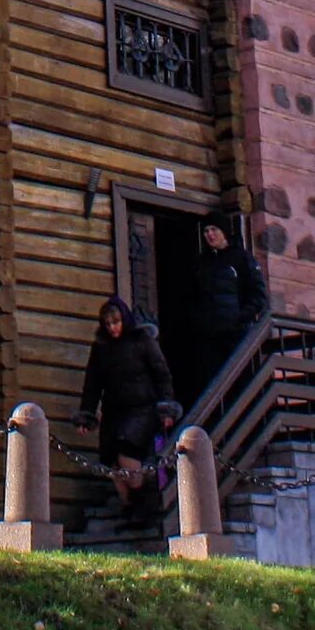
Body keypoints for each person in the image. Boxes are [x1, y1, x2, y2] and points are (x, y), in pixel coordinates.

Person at [74, 296, 175, 515]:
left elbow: (161, 375)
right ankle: (130, 505)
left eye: (116, 322)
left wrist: (166, 408)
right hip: (113, 411)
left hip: (142, 409)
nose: (112, 328)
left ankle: (142, 498)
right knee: (111, 460)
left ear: (124, 320)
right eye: (108, 324)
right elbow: (92, 384)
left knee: (125, 449)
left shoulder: (142, 341)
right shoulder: (101, 348)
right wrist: (87, 414)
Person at [171, 215, 268, 402]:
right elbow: (191, 297)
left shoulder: (241, 258)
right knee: (213, 387)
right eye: (206, 231)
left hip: (237, 336)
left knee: (240, 384)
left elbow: (258, 295)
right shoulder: (201, 263)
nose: (209, 234)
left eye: (214, 229)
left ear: (224, 232)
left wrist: (241, 318)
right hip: (210, 338)